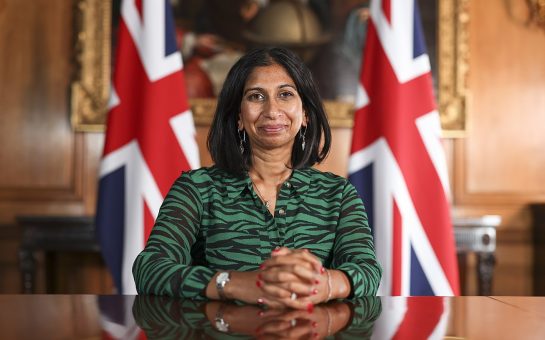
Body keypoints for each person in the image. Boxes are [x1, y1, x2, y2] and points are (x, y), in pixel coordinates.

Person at [132, 47, 381, 310]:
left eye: (285, 95)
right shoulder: (196, 189)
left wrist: (324, 284)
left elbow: (367, 270)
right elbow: (150, 268)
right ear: (239, 116)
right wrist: (237, 284)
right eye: (256, 96)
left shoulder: (338, 194)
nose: (272, 110)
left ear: (305, 113)